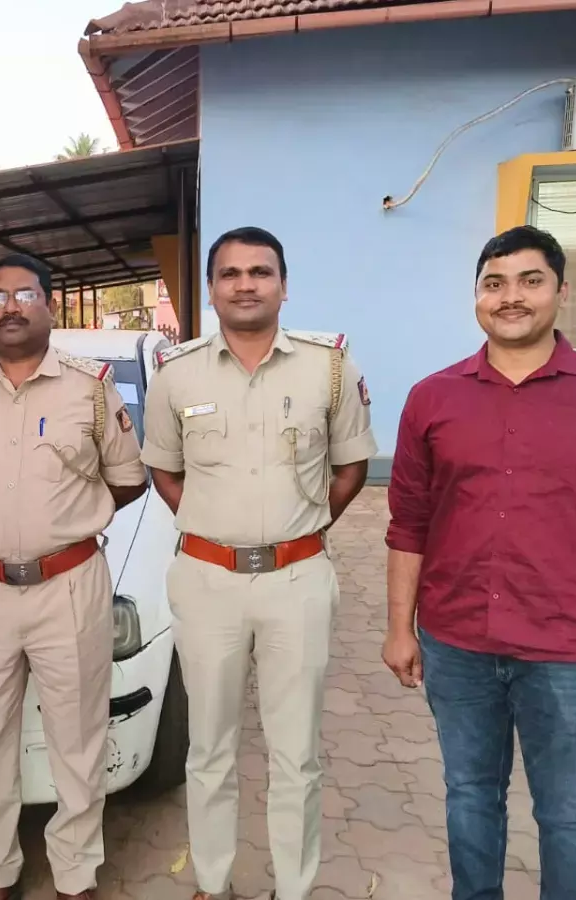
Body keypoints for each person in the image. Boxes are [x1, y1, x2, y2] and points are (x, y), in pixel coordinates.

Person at [381, 225, 576, 900]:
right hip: (457, 643)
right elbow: (409, 525)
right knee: (469, 795)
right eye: (494, 283)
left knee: (570, 813)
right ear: (476, 297)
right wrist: (400, 628)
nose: (510, 297)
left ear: (561, 291)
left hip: (567, 653)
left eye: (529, 281)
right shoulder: (432, 398)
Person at [141, 226, 376, 900]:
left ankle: (293, 888)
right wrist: (216, 529)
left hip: (297, 581)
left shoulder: (330, 367)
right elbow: (165, 472)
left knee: (296, 752)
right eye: (231, 273)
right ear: (211, 289)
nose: (246, 284)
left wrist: (299, 530)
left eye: (260, 272)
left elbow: (351, 466)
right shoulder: (176, 373)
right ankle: (212, 883)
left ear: (283, 286)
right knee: (209, 747)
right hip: (206, 581)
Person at [0, 253, 148, 900]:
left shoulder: (90, 388)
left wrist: (63, 527)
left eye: (24, 295)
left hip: (69, 588)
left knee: (77, 737)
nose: (10, 307)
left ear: (50, 306)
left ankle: (75, 875)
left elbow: (127, 479)